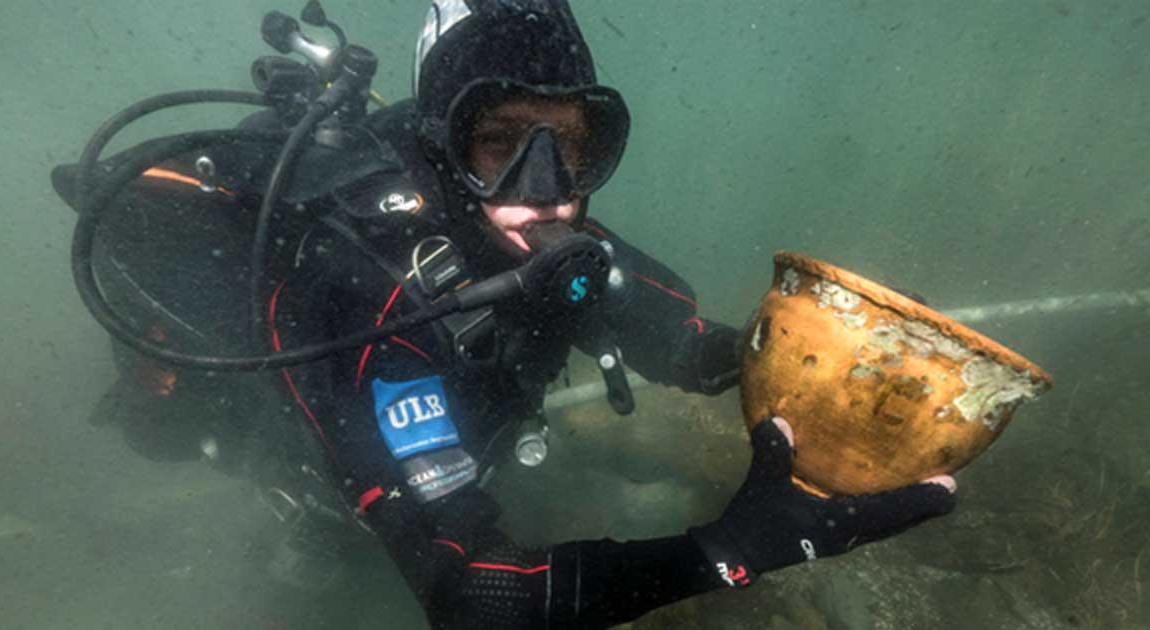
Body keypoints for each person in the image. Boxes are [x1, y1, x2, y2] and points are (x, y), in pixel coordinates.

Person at [260, 1, 959, 628]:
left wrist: (825, 347)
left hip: (480, 445)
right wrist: (730, 550)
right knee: (327, 563)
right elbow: (475, 597)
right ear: (444, 146)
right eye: (501, 141)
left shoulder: (548, 243)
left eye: (565, 144)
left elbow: (684, 345)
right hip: (318, 458)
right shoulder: (367, 294)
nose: (547, 193)